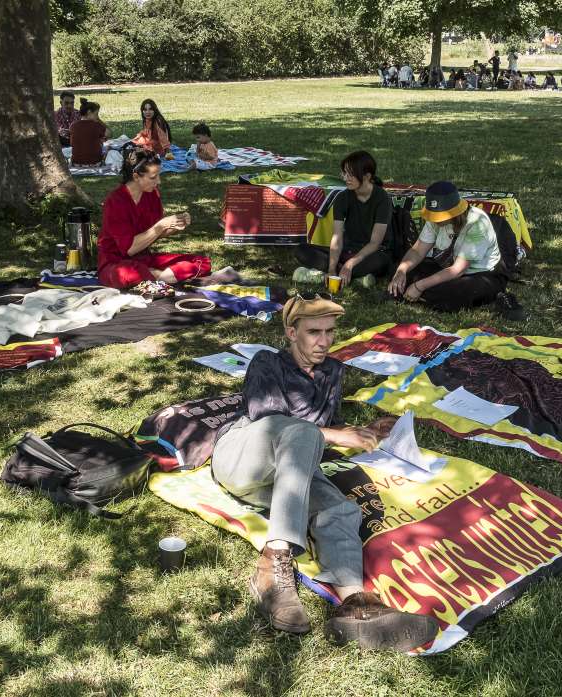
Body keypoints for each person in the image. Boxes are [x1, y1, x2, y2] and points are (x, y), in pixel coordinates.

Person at [211, 294, 439, 650]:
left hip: (290, 478)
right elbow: (270, 422)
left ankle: (357, 604)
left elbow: (327, 431)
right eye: (314, 331)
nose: (324, 340)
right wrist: (335, 434)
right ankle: (274, 564)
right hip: (243, 458)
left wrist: (367, 430)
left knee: (340, 508)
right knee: (300, 432)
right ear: (291, 332)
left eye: (330, 332)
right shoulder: (267, 362)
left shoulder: (333, 371)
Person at [388, 181, 510, 313]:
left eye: (440, 217)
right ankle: (420, 294)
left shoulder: (477, 223)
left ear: (455, 211)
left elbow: (457, 270)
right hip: (446, 267)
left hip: (480, 274)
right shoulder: (435, 220)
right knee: (399, 268)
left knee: (453, 294)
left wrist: (419, 286)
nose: (436, 220)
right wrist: (401, 271)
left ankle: (413, 293)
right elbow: (417, 251)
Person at [96, 148, 211, 289]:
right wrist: (162, 225)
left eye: (158, 175)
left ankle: (158, 277)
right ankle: (164, 276)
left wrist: (175, 226)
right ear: (136, 176)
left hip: (143, 258)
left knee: (201, 261)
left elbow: (153, 234)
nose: (159, 181)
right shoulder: (116, 201)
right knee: (127, 273)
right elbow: (129, 249)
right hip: (115, 261)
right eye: (153, 177)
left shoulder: (151, 194)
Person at [293, 150, 393, 288]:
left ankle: (323, 276)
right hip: (347, 251)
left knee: (381, 262)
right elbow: (337, 237)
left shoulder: (382, 199)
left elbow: (375, 243)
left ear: (367, 176)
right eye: (344, 173)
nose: (346, 178)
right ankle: (354, 278)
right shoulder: (342, 198)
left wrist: (350, 264)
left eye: (350, 174)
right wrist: (332, 268)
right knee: (301, 250)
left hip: (372, 253)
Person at [69, 100, 109, 166]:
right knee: (109, 149)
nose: (97, 116)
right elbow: (109, 134)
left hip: (76, 163)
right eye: (96, 114)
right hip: (95, 162)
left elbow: (71, 143)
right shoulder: (96, 125)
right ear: (89, 112)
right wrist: (99, 120)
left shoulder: (73, 125)